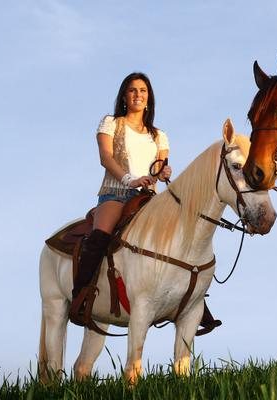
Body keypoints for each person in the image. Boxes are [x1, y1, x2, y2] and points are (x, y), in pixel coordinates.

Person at [70, 72, 172, 324]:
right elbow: (106, 157)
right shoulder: (111, 123)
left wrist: (163, 172)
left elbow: (159, 167)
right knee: (100, 237)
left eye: (143, 91)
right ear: (124, 97)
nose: (138, 95)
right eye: (133, 90)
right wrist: (130, 180)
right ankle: (80, 297)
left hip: (147, 197)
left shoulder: (159, 135)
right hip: (115, 192)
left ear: (149, 99)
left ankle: (194, 301)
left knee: (179, 233)